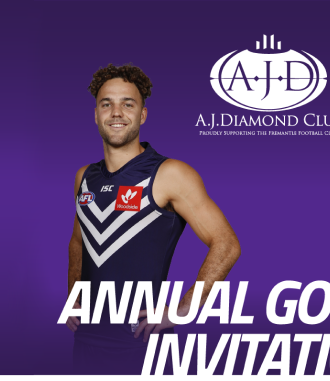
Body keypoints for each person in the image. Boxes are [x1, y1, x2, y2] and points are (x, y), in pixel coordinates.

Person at [68, 64, 243, 374]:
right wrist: (74, 295)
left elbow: (226, 244)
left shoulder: (170, 174)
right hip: (87, 343)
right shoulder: (84, 177)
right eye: (106, 103)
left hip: (143, 345)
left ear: (143, 115)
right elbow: (79, 242)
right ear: (95, 114)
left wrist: (183, 309)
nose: (116, 112)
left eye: (128, 103)